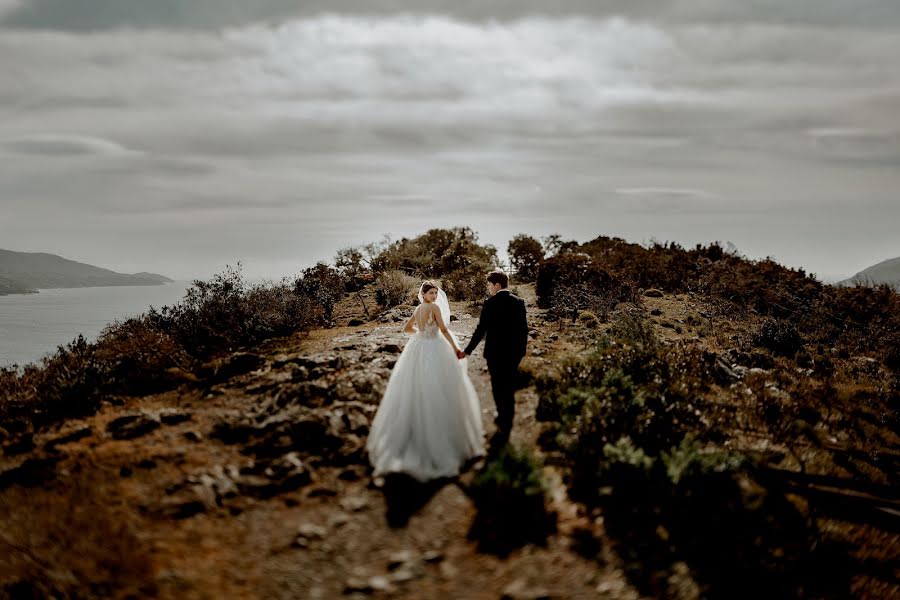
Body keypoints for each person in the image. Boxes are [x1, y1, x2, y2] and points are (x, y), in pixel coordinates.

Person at [366, 281, 485, 482]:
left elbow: (407, 328)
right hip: (434, 347)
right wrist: (455, 349)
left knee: (416, 386)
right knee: (439, 387)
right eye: (431, 292)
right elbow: (444, 330)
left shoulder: (418, 308)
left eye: (436, 292)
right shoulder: (434, 308)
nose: (434, 295)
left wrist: (421, 334)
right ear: (423, 293)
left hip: (418, 347)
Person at [458, 271, 528, 434]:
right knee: (509, 384)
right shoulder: (519, 302)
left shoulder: (490, 303)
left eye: (489, 285)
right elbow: (523, 330)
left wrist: (468, 351)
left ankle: (501, 415)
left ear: (497, 285)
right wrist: (521, 352)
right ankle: (508, 419)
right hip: (513, 353)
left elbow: (480, 330)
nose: (488, 288)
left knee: (497, 385)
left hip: (494, 353)